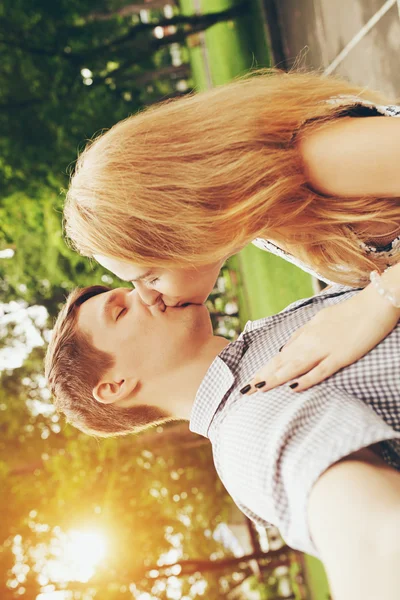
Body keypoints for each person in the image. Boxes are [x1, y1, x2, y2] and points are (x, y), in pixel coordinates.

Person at [45, 282, 400, 600]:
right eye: (122, 311)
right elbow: (374, 541)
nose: (147, 291)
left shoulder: (260, 346)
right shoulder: (247, 430)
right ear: (116, 385)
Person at [63, 70, 400, 395]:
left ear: (181, 226)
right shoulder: (267, 222)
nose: (148, 298)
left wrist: (376, 303)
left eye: (150, 276)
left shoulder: (319, 158)